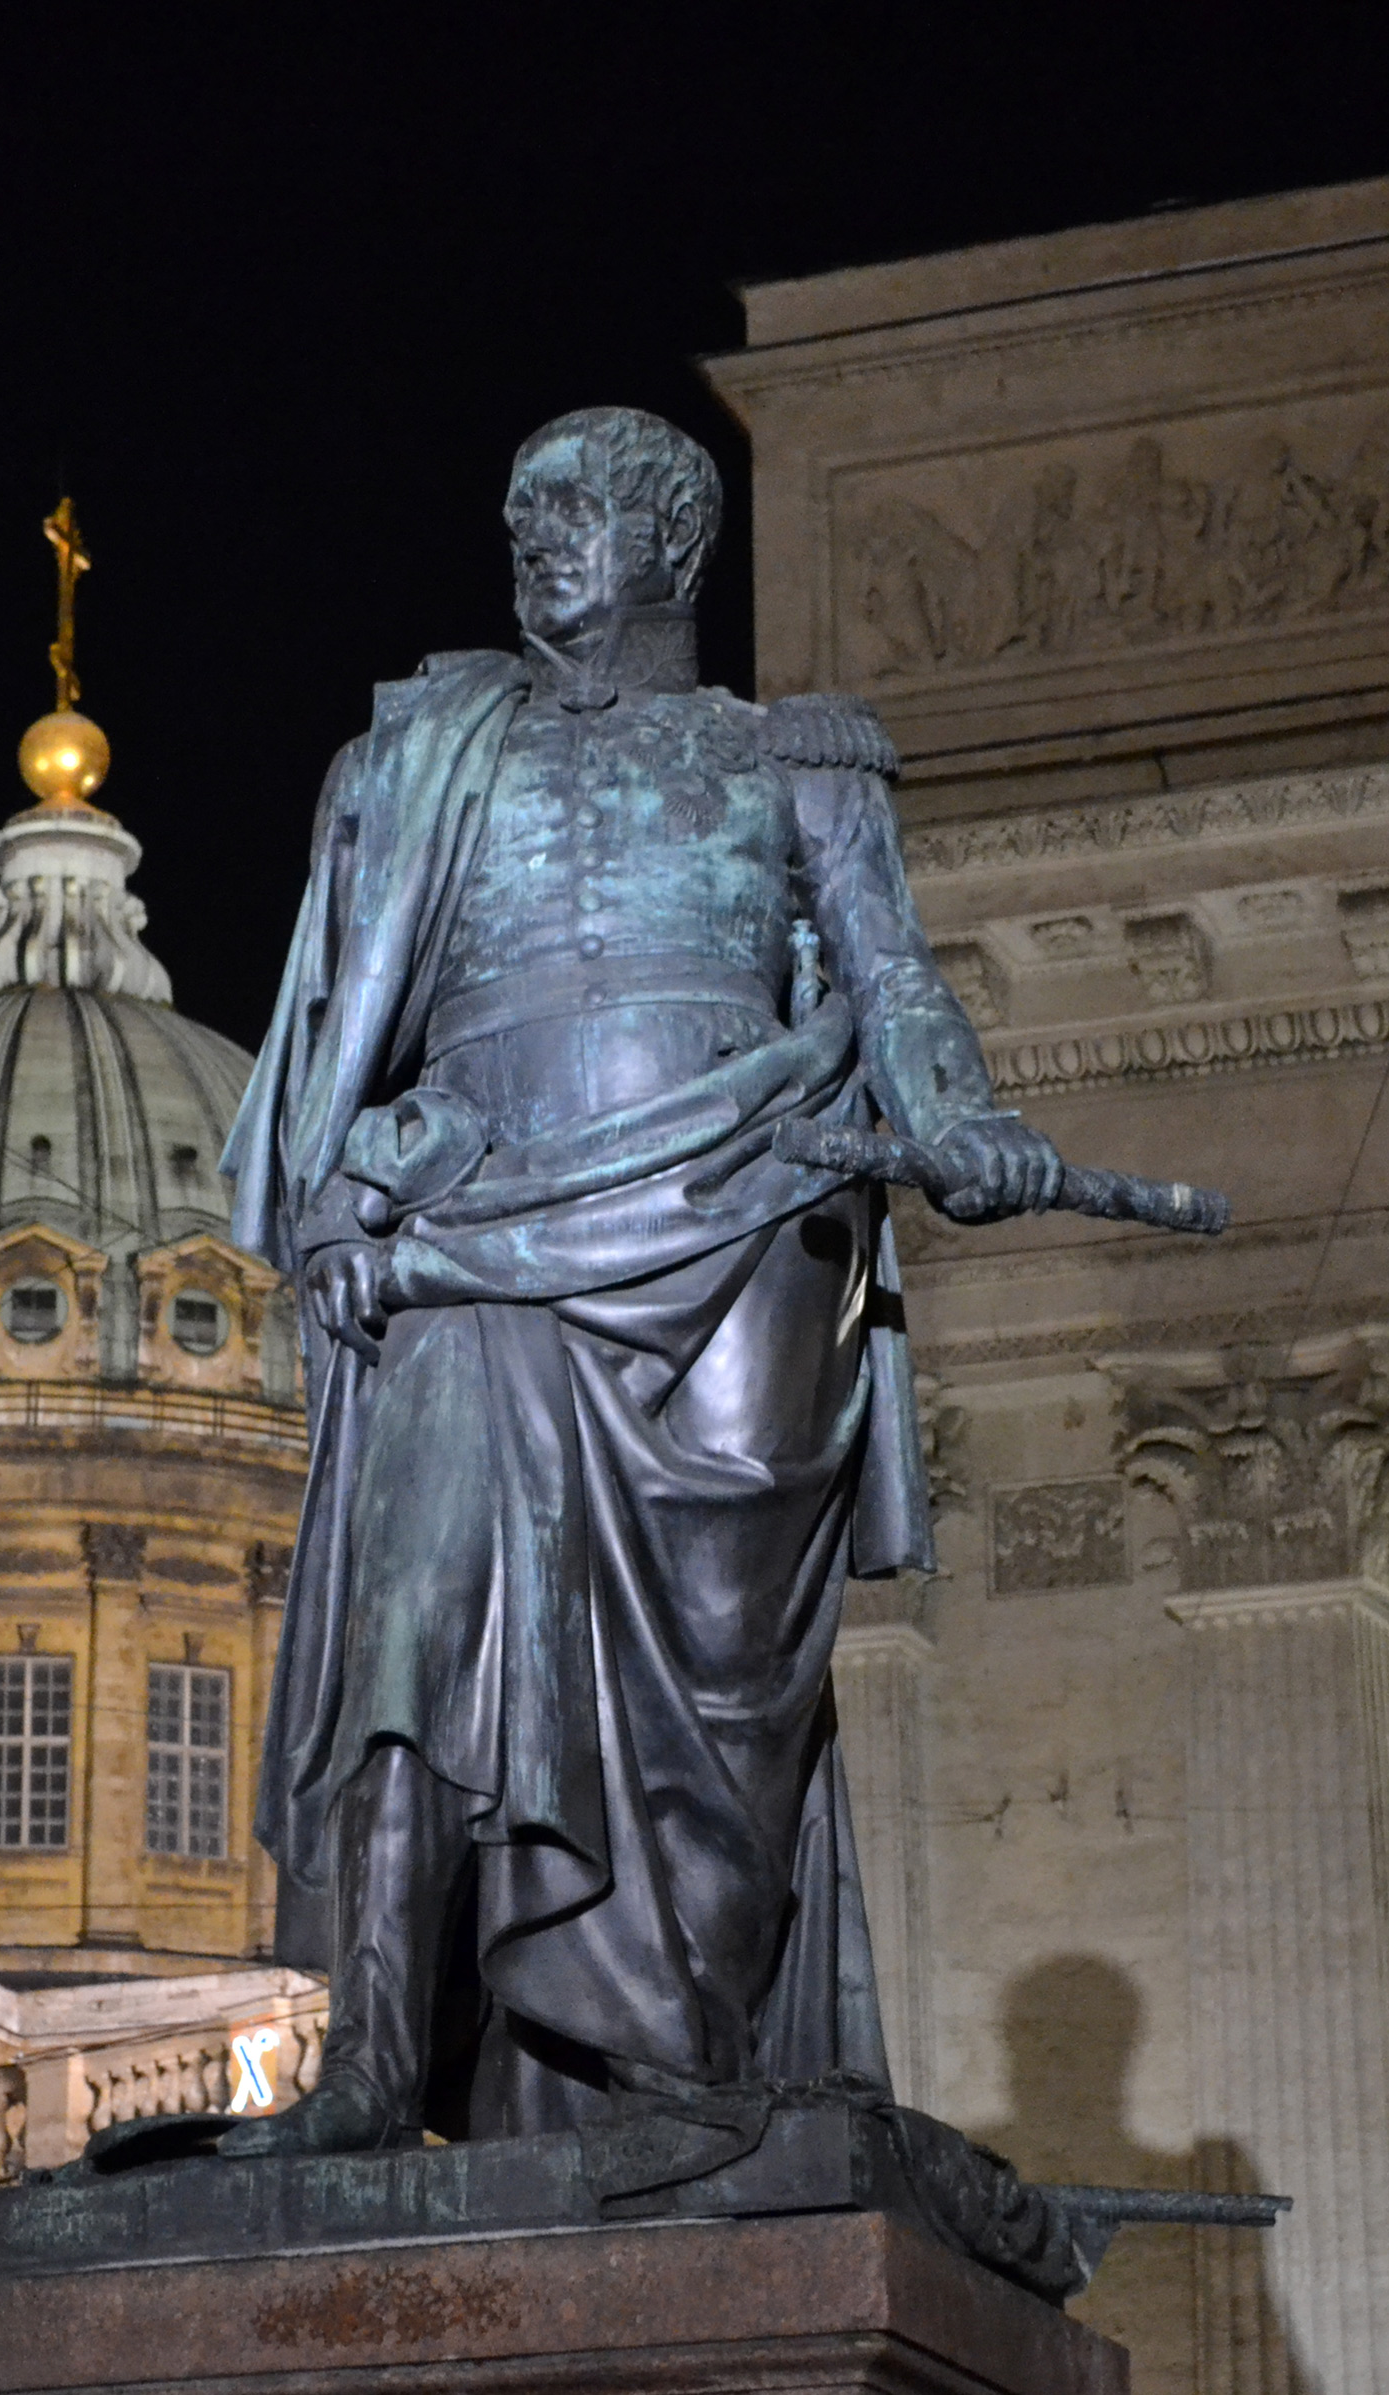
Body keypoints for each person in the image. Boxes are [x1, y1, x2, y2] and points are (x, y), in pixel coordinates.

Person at [218, 406, 1061, 2156]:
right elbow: (333, 1062)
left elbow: (896, 987)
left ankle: (683, 2049)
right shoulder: (423, 758)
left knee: (726, 1661)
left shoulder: (794, 759)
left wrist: (963, 1121)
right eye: (522, 515)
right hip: (477, 1242)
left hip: (740, 1226)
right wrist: (338, 1199)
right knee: (416, 1612)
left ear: (677, 543)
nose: (540, 544)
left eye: (577, 511)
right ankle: (370, 2054)